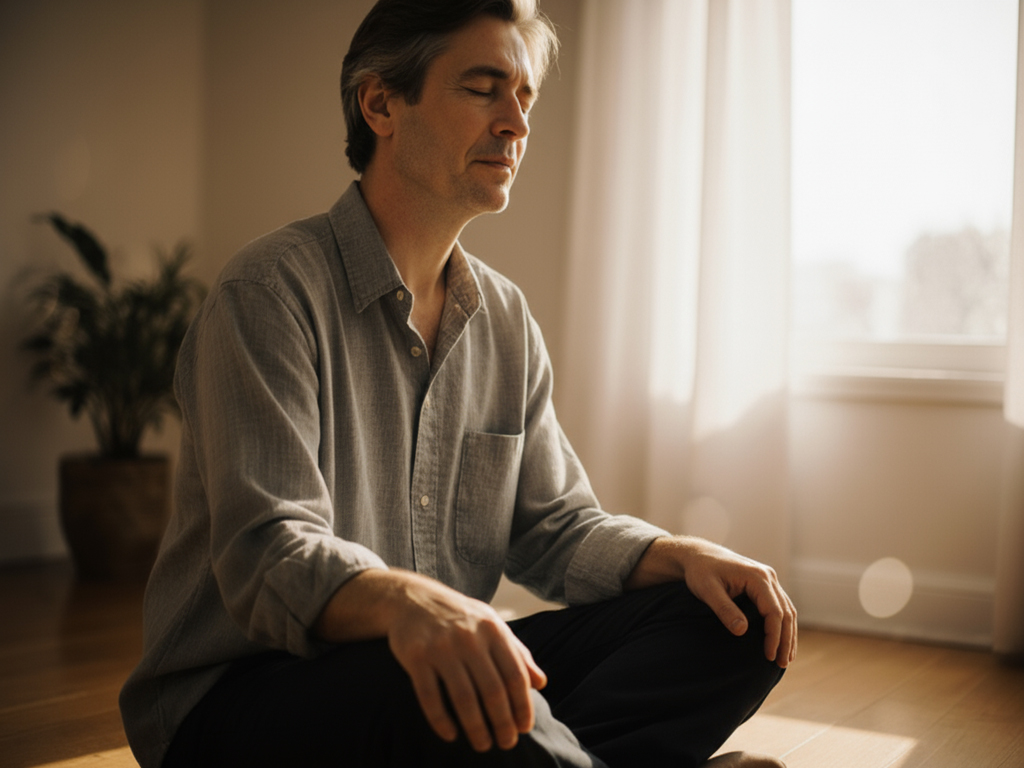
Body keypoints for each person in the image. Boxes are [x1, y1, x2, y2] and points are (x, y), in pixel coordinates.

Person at [119, 1, 797, 766]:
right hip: (239, 701)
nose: (516, 123)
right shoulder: (268, 293)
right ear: (381, 104)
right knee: (445, 684)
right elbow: (268, 554)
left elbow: (556, 528)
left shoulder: (504, 318)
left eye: (525, 96)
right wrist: (410, 604)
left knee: (733, 623)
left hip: (427, 665)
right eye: (483, 89)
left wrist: (681, 555)